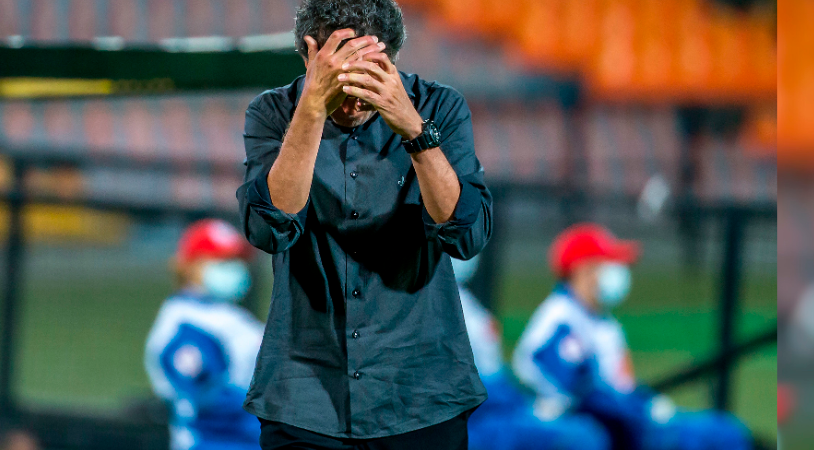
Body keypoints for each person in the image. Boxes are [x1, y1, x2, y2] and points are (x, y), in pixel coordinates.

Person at [237, 0, 492, 448]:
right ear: (309, 56)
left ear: (392, 60)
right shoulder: (274, 113)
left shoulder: (439, 107)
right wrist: (312, 111)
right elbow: (269, 228)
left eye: (371, 71)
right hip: (306, 392)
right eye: (340, 73)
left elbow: (466, 234)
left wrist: (414, 129)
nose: (355, 95)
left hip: (420, 392)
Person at [512, 224, 752, 450]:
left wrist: (641, 404)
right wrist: (640, 409)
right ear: (583, 270)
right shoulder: (560, 320)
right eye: (608, 263)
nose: (618, 272)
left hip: (612, 424)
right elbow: (582, 392)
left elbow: (614, 389)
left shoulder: (601, 322)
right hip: (579, 429)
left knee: (724, 431)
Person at [450, 257, 610, 450]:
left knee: (585, 432)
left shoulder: (460, 298)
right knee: (582, 437)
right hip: (474, 418)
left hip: (497, 405)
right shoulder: (428, 304)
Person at [145, 219, 265, 450]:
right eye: (222, 261)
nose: (235, 267)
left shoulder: (224, 315)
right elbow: (209, 399)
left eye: (236, 260)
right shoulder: (185, 326)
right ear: (190, 265)